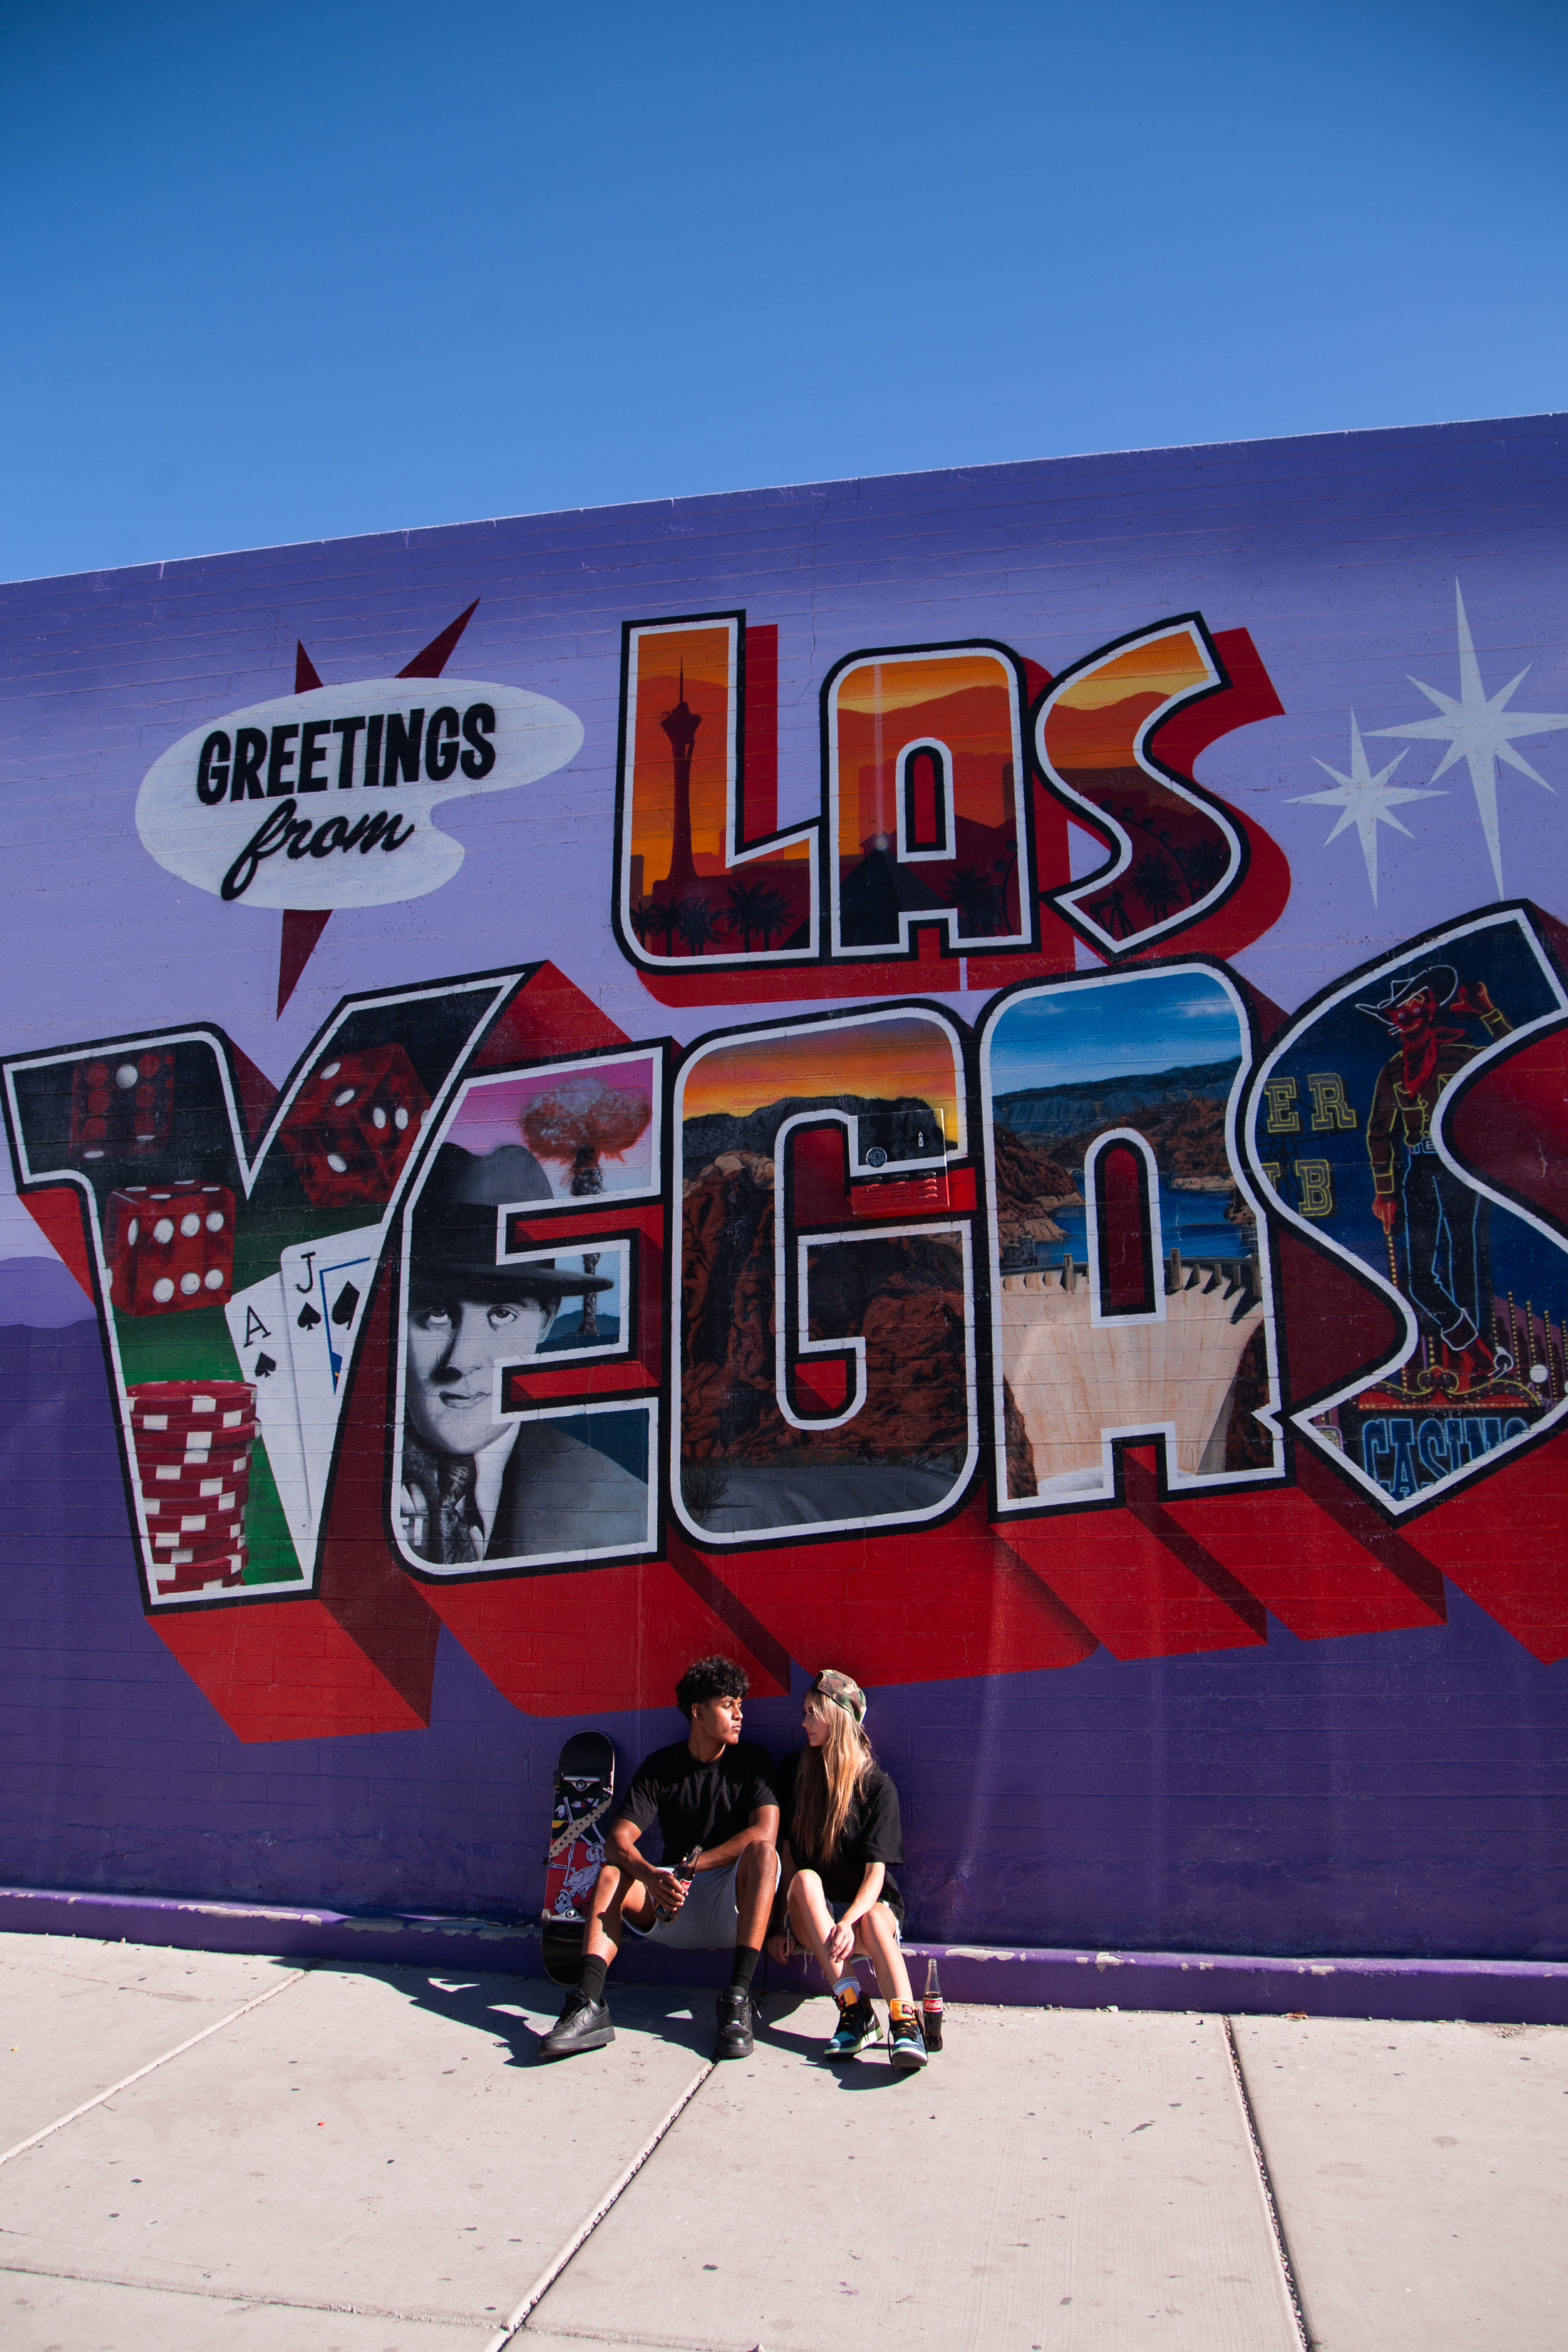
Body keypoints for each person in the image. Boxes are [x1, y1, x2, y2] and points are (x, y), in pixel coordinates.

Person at [400, 1142, 649, 1563]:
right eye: (437, 1313)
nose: (461, 1360)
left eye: (502, 1314)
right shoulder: (323, 1484)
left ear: (546, 1321)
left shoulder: (623, 1511)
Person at [537, 1656, 780, 2063]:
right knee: (613, 1873)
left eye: (741, 1704)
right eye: (727, 1704)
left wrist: (693, 1866)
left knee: (764, 1855)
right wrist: (652, 1877)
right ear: (698, 1711)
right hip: (668, 1905)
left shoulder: (753, 1762)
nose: (739, 1714)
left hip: (730, 1904)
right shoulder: (661, 1767)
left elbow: (764, 1833)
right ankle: (588, 2006)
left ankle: (737, 2003)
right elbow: (617, 1841)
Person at [1360, 966, 1512, 1393]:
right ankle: (1478, 1353)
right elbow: (1378, 1131)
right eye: (1395, 1009)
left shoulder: (1460, 1052)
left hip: (1460, 1166)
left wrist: (1487, 1012)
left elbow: (1514, 1060)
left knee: (1467, 1259)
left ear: (1429, 1008)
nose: (1403, 1013)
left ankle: (1477, 1365)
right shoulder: (1392, 1070)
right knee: (1419, 1276)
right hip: (1419, 1170)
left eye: (1412, 1003)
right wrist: (1386, 1191)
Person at [775, 1668, 926, 2070]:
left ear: (838, 1718)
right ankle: (855, 2010)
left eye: (813, 1713)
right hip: (815, 1917)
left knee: (878, 1922)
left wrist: (849, 1921)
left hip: (862, 1914)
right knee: (805, 1880)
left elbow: (876, 1874)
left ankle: (905, 2023)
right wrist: (783, 1922)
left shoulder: (877, 1787)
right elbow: (788, 1855)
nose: (804, 1722)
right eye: (805, 1712)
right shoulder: (797, 1772)